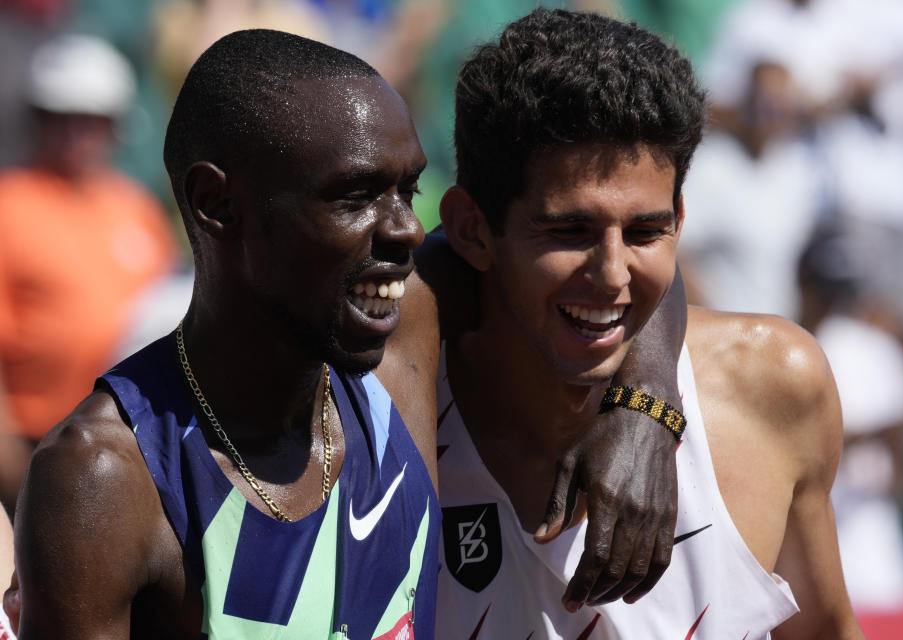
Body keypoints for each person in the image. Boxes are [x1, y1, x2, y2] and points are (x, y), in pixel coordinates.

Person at [11, 28, 689, 639]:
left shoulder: (394, 350)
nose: (404, 229)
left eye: (408, 190)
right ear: (216, 204)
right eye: (354, 195)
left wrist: (647, 412)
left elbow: (622, 256)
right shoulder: (107, 479)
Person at [433, 9, 863, 638]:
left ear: (679, 223)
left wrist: (650, 408)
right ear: (472, 229)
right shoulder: (383, 403)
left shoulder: (774, 385)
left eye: (644, 231)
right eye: (568, 230)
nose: (612, 273)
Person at [0, 34, 178, 512]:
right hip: (36, 444)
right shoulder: (10, 205)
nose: (79, 133)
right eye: (65, 117)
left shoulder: (136, 208)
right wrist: (9, 459)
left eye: (93, 120)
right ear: (40, 118)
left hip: (133, 438)